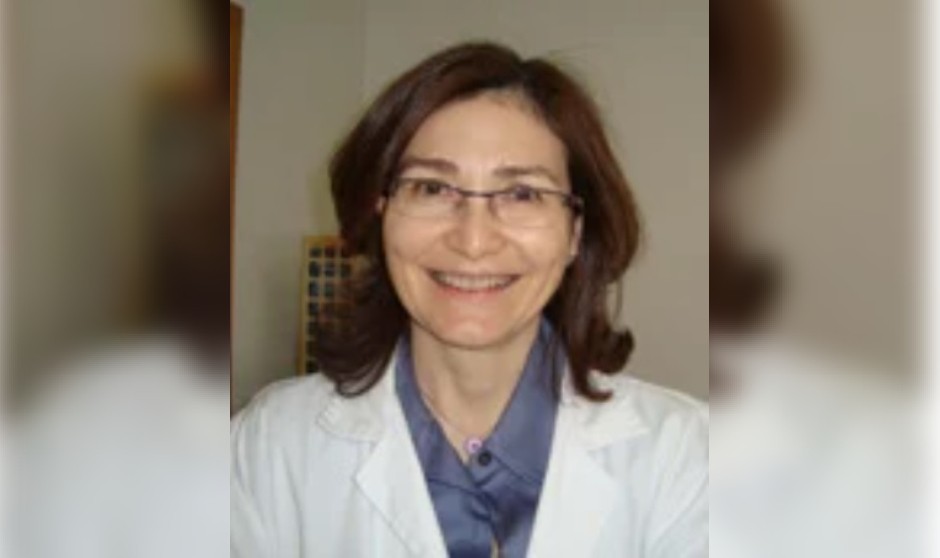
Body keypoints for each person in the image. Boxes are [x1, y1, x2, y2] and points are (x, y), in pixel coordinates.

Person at [231, 42, 707, 558]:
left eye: (523, 193)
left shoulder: (689, 458)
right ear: (379, 214)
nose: (473, 241)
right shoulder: (269, 446)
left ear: (575, 232)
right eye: (432, 188)